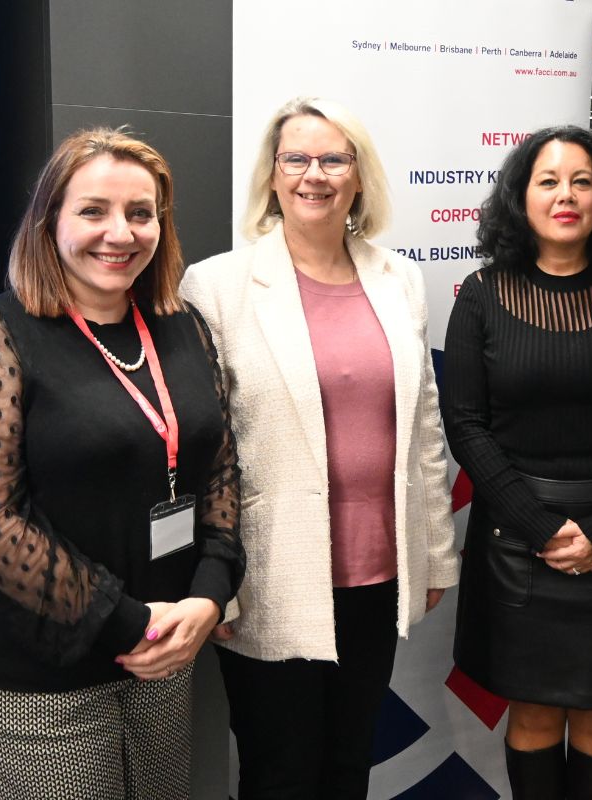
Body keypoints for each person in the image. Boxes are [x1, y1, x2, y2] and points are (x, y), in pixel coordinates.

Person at [0, 128, 246, 799]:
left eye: (141, 213)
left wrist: (210, 592)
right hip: (39, 676)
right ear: (49, 222)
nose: (120, 233)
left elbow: (219, 467)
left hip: (165, 650)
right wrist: (130, 622)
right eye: (93, 211)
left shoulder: (184, 326)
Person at [179, 97, 458, 800]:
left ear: (359, 177)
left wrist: (434, 551)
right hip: (268, 575)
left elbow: (424, 426)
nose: (315, 174)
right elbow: (199, 451)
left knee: (348, 764)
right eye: (296, 159)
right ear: (272, 175)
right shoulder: (217, 286)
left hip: (376, 571)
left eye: (334, 159)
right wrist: (214, 586)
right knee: (280, 774)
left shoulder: (398, 278)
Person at [442, 125, 592, 799]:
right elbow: (466, 426)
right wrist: (542, 529)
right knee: (534, 710)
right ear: (521, 198)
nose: (566, 195)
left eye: (582, 181)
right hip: (516, 539)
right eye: (548, 181)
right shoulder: (482, 295)